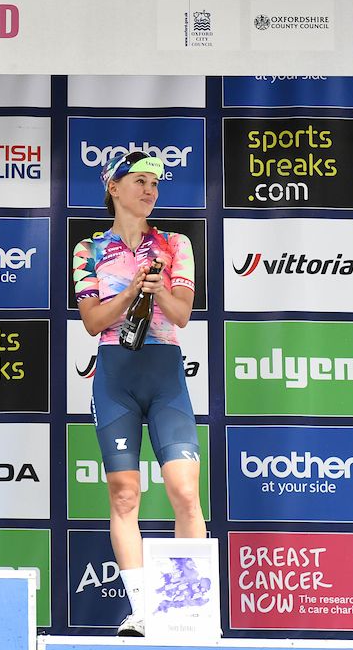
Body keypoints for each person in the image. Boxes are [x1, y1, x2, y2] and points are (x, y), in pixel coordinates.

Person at [71, 150, 203, 637]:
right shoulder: (88, 249)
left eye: (155, 183)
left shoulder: (175, 243)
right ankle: (145, 609)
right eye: (140, 181)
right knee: (125, 496)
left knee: (185, 491)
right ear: (114, 187)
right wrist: (130, 291)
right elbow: (92, 322)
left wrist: (158, 286)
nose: (150, 190)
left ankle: (188, 607)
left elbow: (183, 313)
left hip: (164, 369)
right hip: (114, 374)